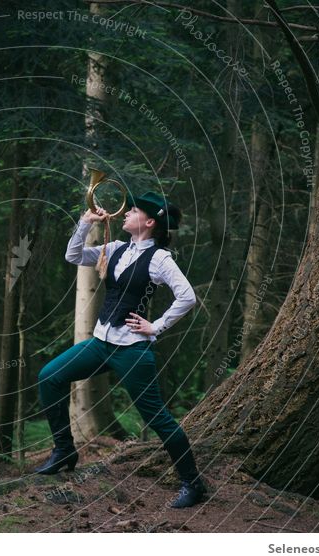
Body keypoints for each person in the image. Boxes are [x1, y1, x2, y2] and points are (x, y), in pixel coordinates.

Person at [33, 190, 206, 509]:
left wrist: (156, 326)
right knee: (49, 376)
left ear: (149, 222)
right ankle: (65, 450)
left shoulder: (159, 259)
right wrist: (85, 223)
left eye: (134, 210)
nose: (126, 212)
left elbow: (187, 297)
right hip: (100, 343)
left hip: (133, 351)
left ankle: (193, 483)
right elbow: (73, 257)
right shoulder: (114, 248)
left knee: (158, 419)